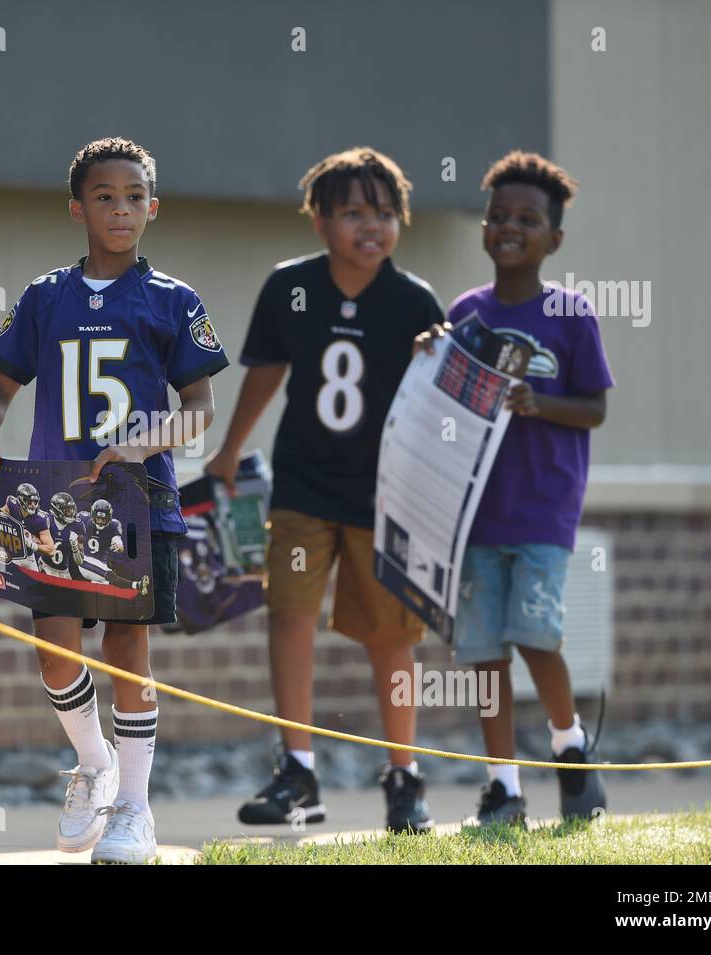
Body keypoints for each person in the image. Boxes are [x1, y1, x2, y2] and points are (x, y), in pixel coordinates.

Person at [0, 137, 229, 862]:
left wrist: (146, 440)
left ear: (154, 206)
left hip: (138, 499)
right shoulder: (46, 296)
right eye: (105, 196)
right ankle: (94, 763)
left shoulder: (174, 300)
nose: (121, 209)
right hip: (54, 504)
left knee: (127, 646)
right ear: (77, 206)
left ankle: (134, 810)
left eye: (135, 196)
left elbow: (200, 405)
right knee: (54, 652)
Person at [206, 147, 443, 833]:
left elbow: (439, 402)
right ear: (319, 220)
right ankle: (299, 770)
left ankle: (405, 775)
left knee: (391, 636)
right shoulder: (290, 288)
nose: (371, 226)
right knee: (290, 614)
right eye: (352, 212)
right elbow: (266, 371)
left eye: (384, 212)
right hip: (303, 485)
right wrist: (227, 451)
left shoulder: (415, 300)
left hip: (385, 494)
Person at [416, 150, 614, 825]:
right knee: (481, 651)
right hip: (474, 514)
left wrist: (537, 402)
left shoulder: (571, 313)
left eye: (527, 218)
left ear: (553, 238)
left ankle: (570, 746)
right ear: (484, 228)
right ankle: (503, 786)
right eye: (499, 215)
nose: (510, 226)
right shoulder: (465, 314)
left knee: (535, 635)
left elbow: (595, 408)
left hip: (542, 511)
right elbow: (442, 402)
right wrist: (428, 355)